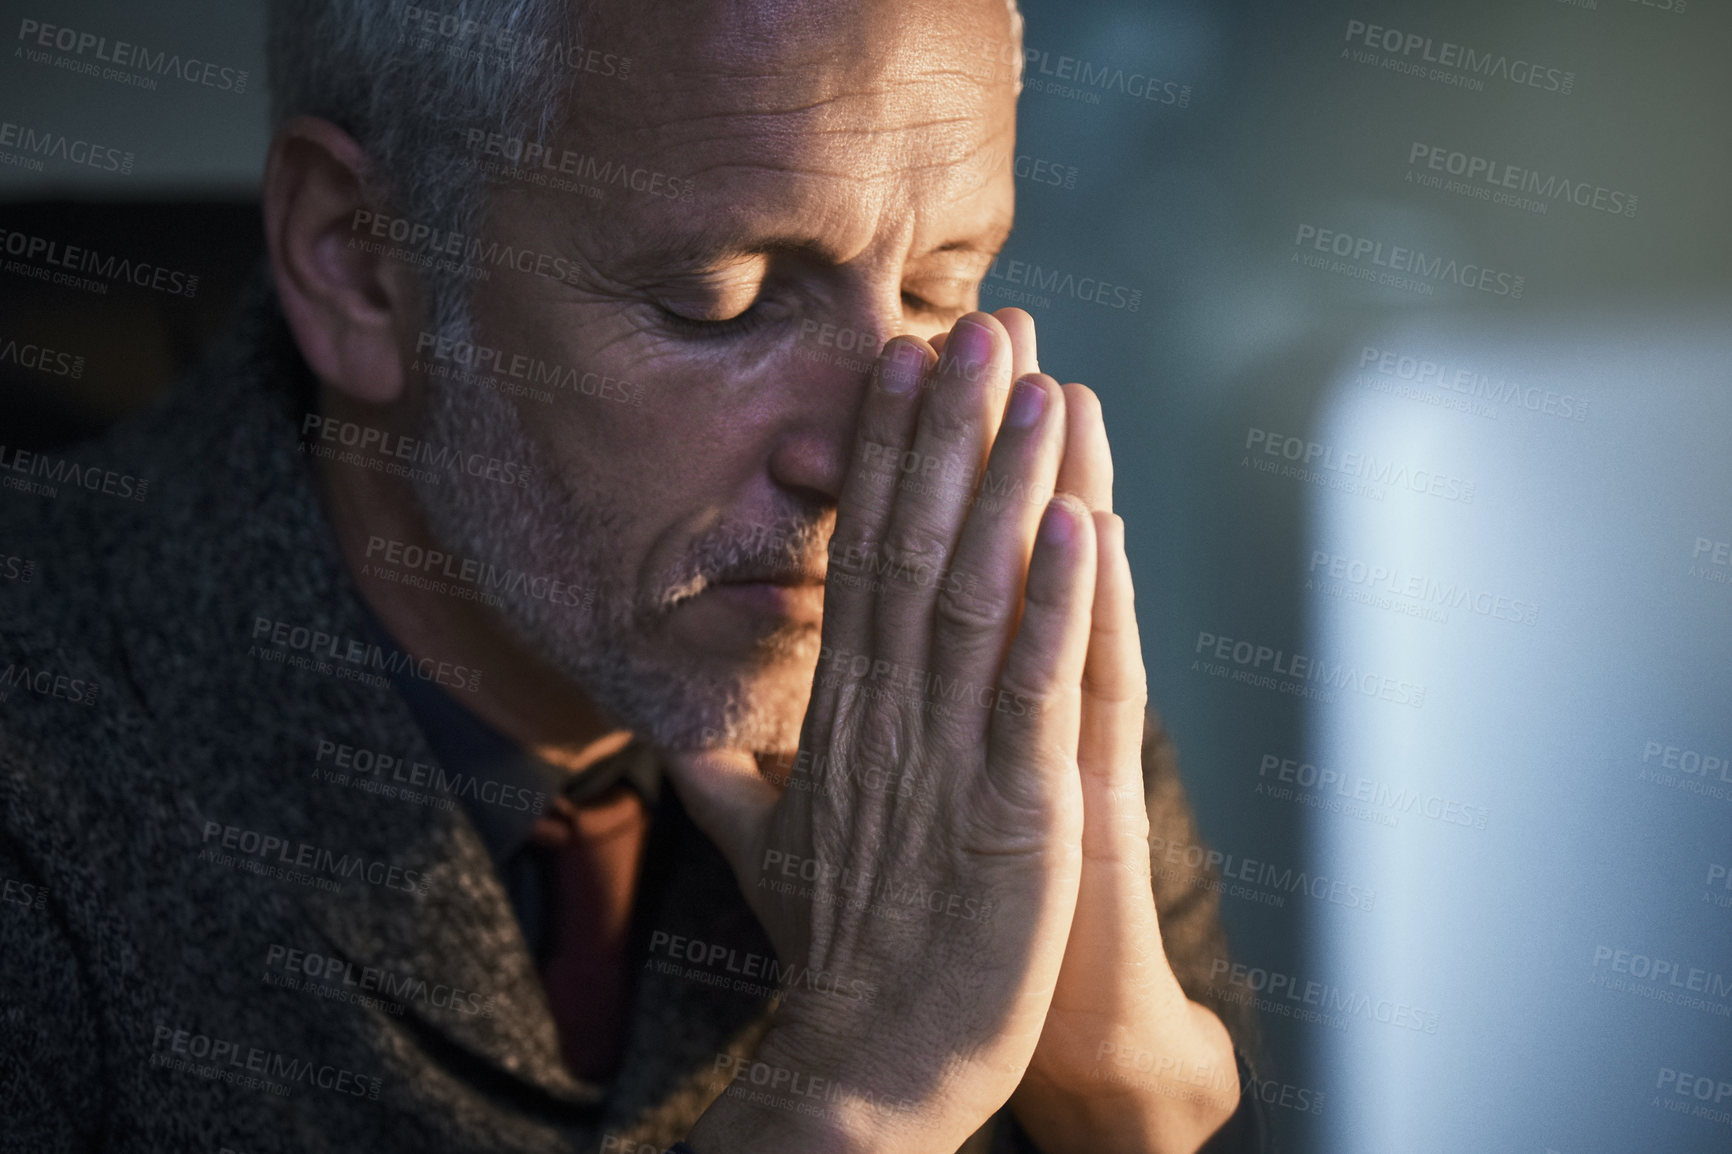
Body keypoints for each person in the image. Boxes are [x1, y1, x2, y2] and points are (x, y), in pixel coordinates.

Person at [0, 0, 1265, 1150]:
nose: (867, 463)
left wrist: (1130, 1095)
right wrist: (859, 1092)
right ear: (358, 260)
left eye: (941, 288)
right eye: (724, 302)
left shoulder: (976, 675)